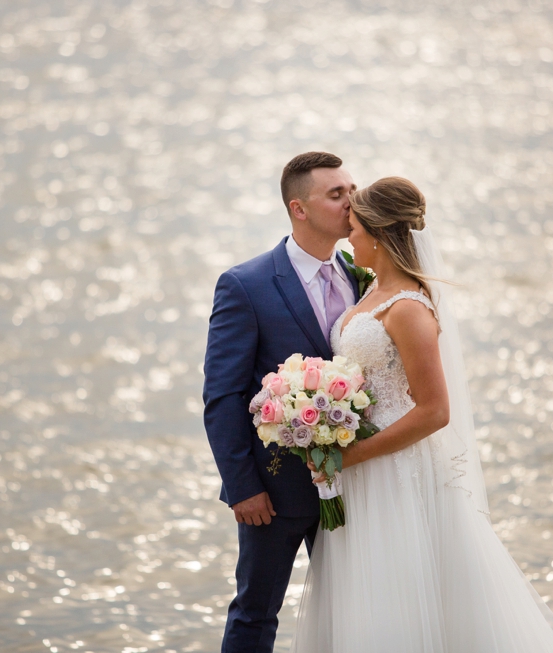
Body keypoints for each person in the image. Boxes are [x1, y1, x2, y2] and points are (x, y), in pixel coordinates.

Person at [290, 177, 553, 653]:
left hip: (394, 472)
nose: (350, 236)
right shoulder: (368, 292)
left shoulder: (407, 308)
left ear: (381, 235)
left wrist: (352, 455)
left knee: (401, 598)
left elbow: (434, 411)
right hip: (362, 473)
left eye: (357, 228)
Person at [202, 152, 359, 653]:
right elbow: (222, 395)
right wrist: (242, 486)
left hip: (355, 481)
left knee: (353, 610)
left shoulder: (361, 274)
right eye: (336, 194)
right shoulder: (244, 285)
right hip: (273, 492)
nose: (351, 202)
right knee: (255, 613)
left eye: (352, 189)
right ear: (300, 208)